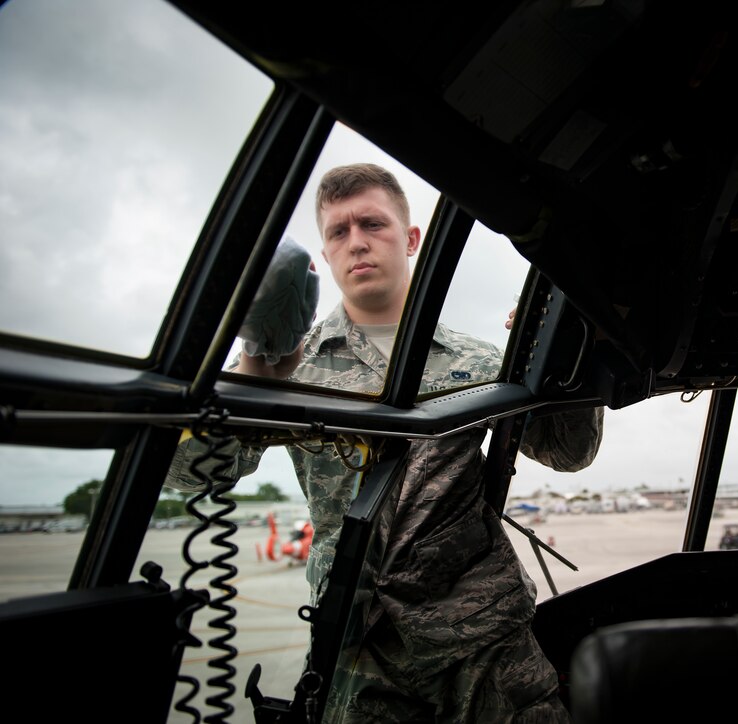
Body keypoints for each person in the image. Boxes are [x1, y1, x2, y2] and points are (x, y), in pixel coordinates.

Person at [167, 163, 603, 723]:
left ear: (412, 238)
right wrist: (257, 365)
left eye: (373, 224)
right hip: (357, 636)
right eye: (338, 232)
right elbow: (189, 474)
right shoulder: (287, 365)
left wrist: (565, 356)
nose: (357, 243)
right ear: (323, 256)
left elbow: (568, 453)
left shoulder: (478, 361)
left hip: (480, 631)